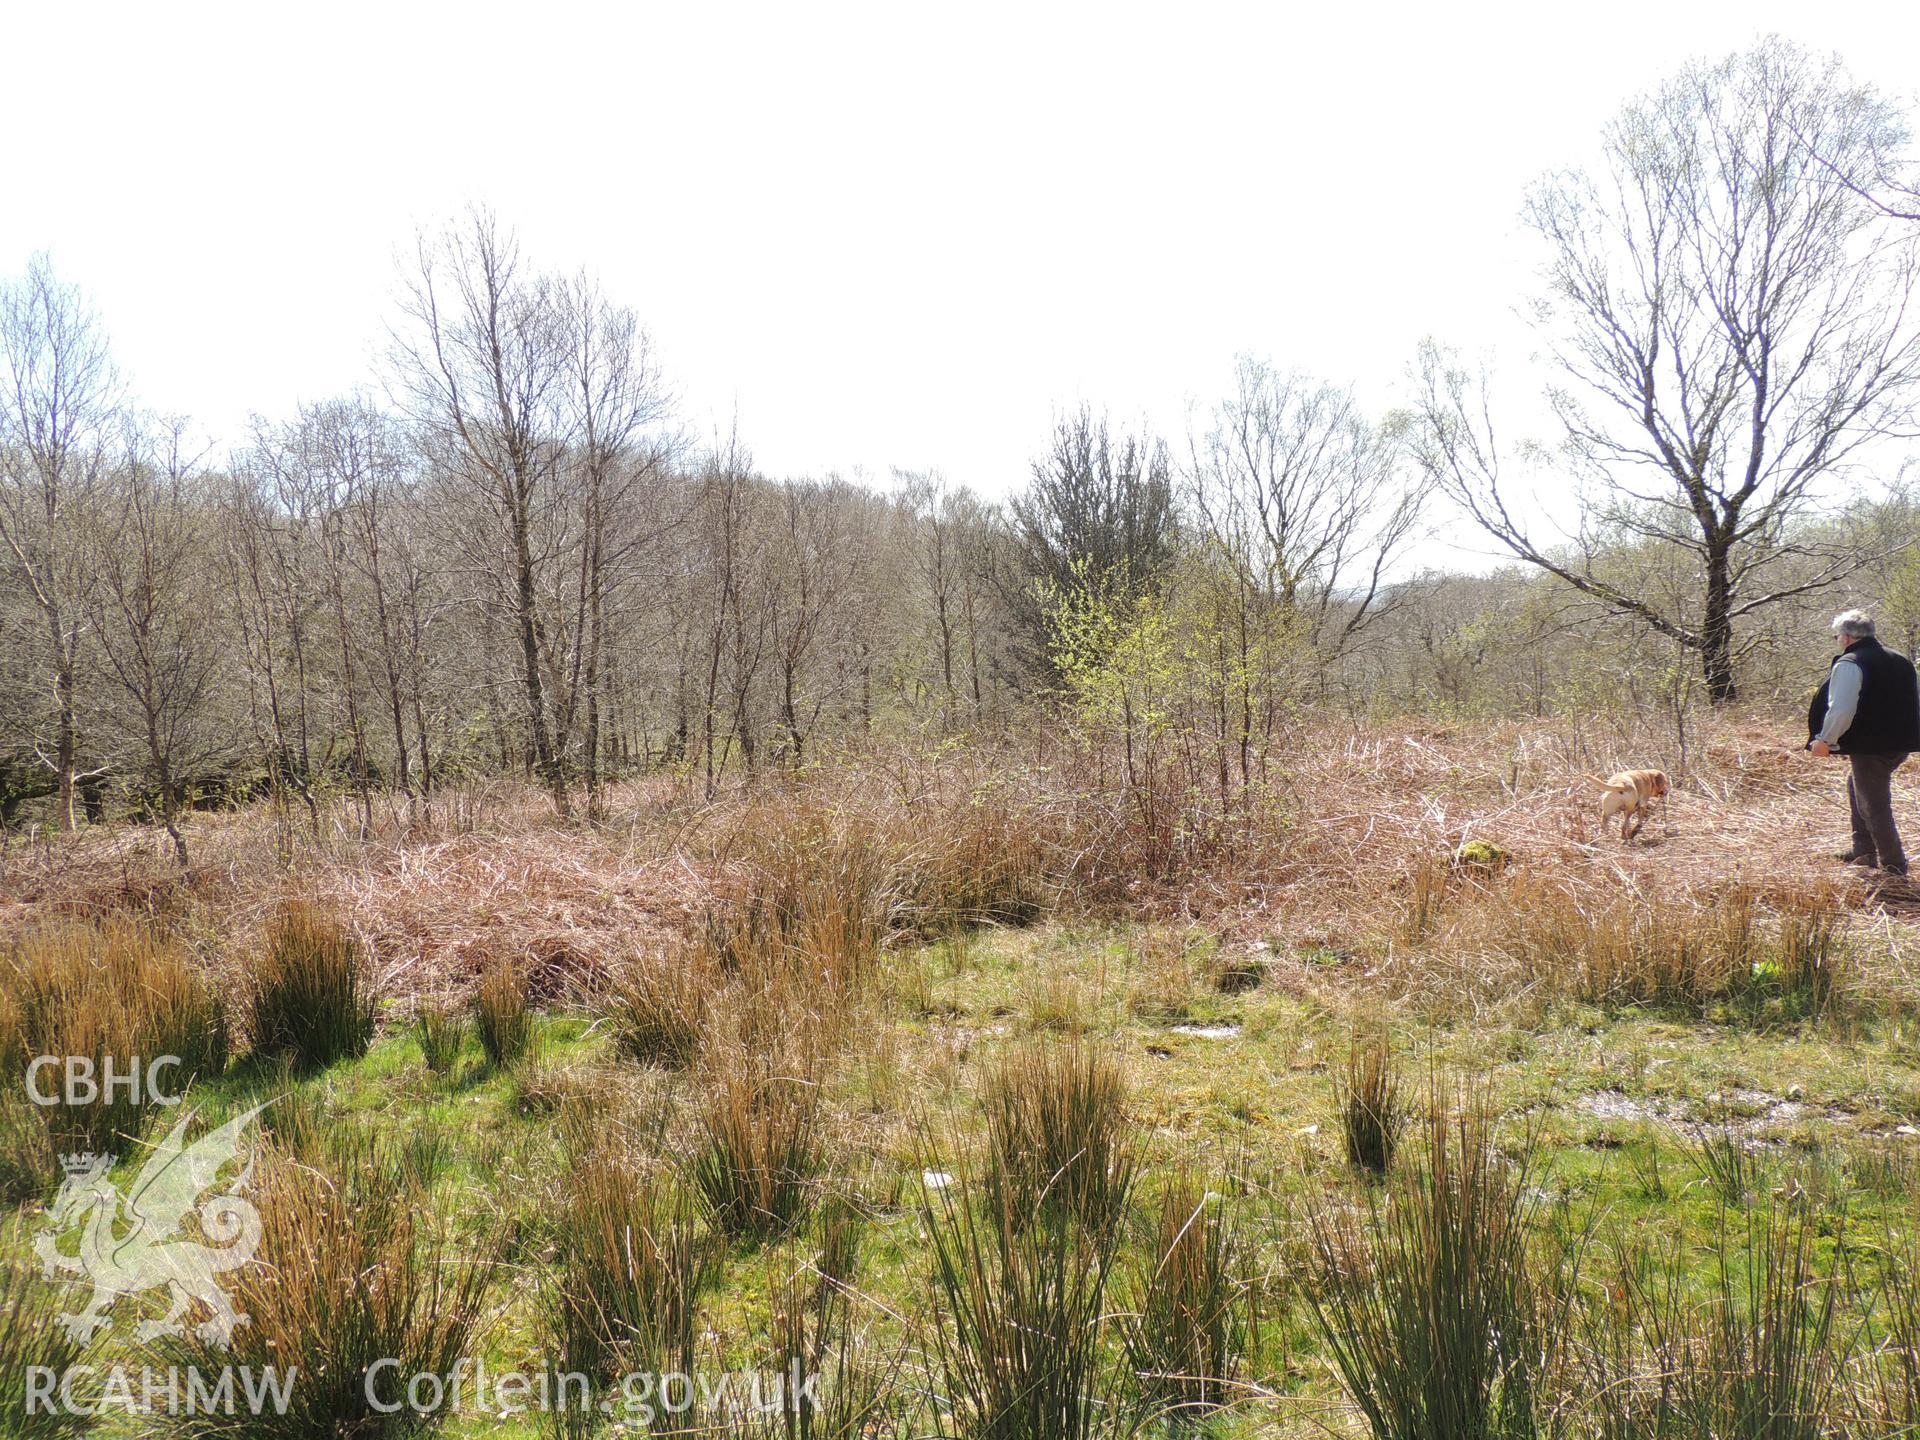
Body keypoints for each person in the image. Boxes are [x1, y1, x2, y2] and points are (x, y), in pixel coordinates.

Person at [1807, 609, 1920, 878]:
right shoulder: (1901, 659)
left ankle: (1894, 865)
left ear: (1845, 637)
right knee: (1857, 786)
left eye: (1837, 637)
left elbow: (1841, 709)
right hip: (1900, 743)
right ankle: (1863, 851)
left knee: (1873, 803)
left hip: (1871, 747)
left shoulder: (1851, 662)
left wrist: (1825, 740)